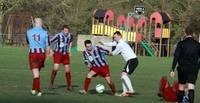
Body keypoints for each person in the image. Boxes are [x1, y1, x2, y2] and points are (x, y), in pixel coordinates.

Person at [100, 31, 139, 97]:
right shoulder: (122, 41)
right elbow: (112, 43)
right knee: (123, 75)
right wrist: (103, 43)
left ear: (120, 36)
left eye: (115, 37)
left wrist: (104, 51)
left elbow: (113, 54)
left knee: (124, 75)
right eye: (114, 37)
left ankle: (131, 90)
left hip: (132, 60)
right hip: (132, 60)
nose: (114, 38)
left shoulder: (120, 45)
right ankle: (125, 92)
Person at [170, 26, 200, 103]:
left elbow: (176, 57)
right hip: (193, 69)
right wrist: (198, 67)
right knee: (191, 87)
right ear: (193, 33)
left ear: (185, 33)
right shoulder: (197, 44)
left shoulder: (181, 44)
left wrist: (172, 69)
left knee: (181, 87)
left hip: (182, 68)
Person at [26, 18, 50, 96]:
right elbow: (48, 47)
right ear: (42, 24)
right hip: (42, 54)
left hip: (33, 54)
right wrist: (47, 55)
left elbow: (28, 42)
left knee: (36, 74)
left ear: (35, 23)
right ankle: (33, 89)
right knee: (37, 73)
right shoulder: (45, 33)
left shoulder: (28, 32)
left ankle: (39, 91)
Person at [48, 25, 73, 91]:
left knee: (67, 69)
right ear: (62, 30)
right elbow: (50, 41)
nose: (66, 32)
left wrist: (69, 50)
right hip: (58, 53)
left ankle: (69, 85)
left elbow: (70, 41)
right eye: (65, 30)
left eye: (67, 31)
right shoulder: (58, 35)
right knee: (56, 68)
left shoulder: (70, 35)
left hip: (65, 54)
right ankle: (51, 83)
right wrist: (51, 50)